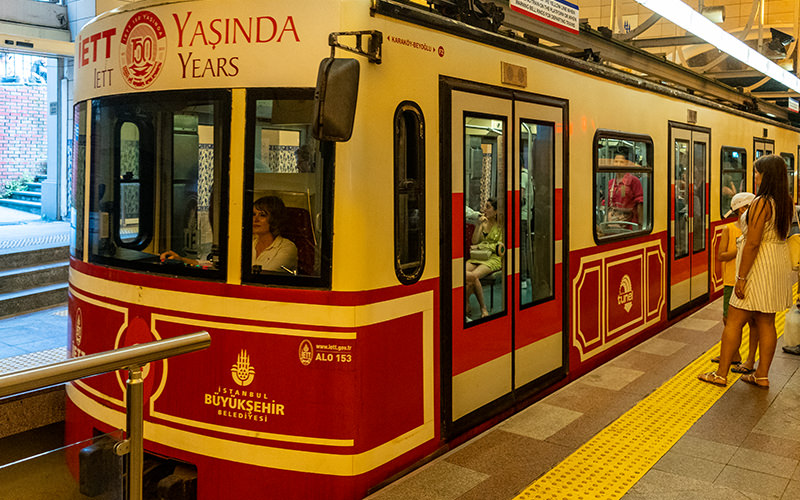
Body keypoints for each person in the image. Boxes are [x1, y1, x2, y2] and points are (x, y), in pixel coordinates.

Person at [699, 154, 794, 388]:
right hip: (776, 263)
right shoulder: (786, 202)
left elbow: (752, 243)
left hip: (757, 265)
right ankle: (761, 375)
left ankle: (720, 374)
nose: (755, 176)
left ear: (766, 175)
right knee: (766, 322)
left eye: (757, 172)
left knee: (734, 320)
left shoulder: (762, 202)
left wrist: (741, 277)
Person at [711, 191, 758, 374]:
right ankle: (734, 354)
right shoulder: (729, 229)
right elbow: (721, 256)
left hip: (752, 280)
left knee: (753, 321)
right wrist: (741, 251)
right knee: (728, 319)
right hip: (732, 280)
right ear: (741, 210)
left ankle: (749, 359)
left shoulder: (758, 230)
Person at [465, 198, 503, 319]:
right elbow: (474, 241)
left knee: (472, 277)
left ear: (496, 211)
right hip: (477, 256)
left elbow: (499, 245)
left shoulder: (500, 225)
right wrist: (479, 225)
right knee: (461, 274)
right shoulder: (482, 223)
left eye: (488, 207)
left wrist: (480, 246)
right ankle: (465, 304)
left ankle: (482, 308)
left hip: (492, 258)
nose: (485, 210)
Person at [251, 195, 298, 273]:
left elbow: (264, 276)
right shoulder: (249, 244)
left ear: (275, 219)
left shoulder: (287, 248)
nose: (255, 219)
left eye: (262, 215)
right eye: (253, 214)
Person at [606, 153, 644, 230]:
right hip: (613, 223)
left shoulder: (633, 181)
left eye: (621, 162)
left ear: (626, 164)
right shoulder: (610, 183)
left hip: (629, 224)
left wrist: (641, 224)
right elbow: (608, 203)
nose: (618, 164)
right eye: (616, 161)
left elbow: (640, 202)